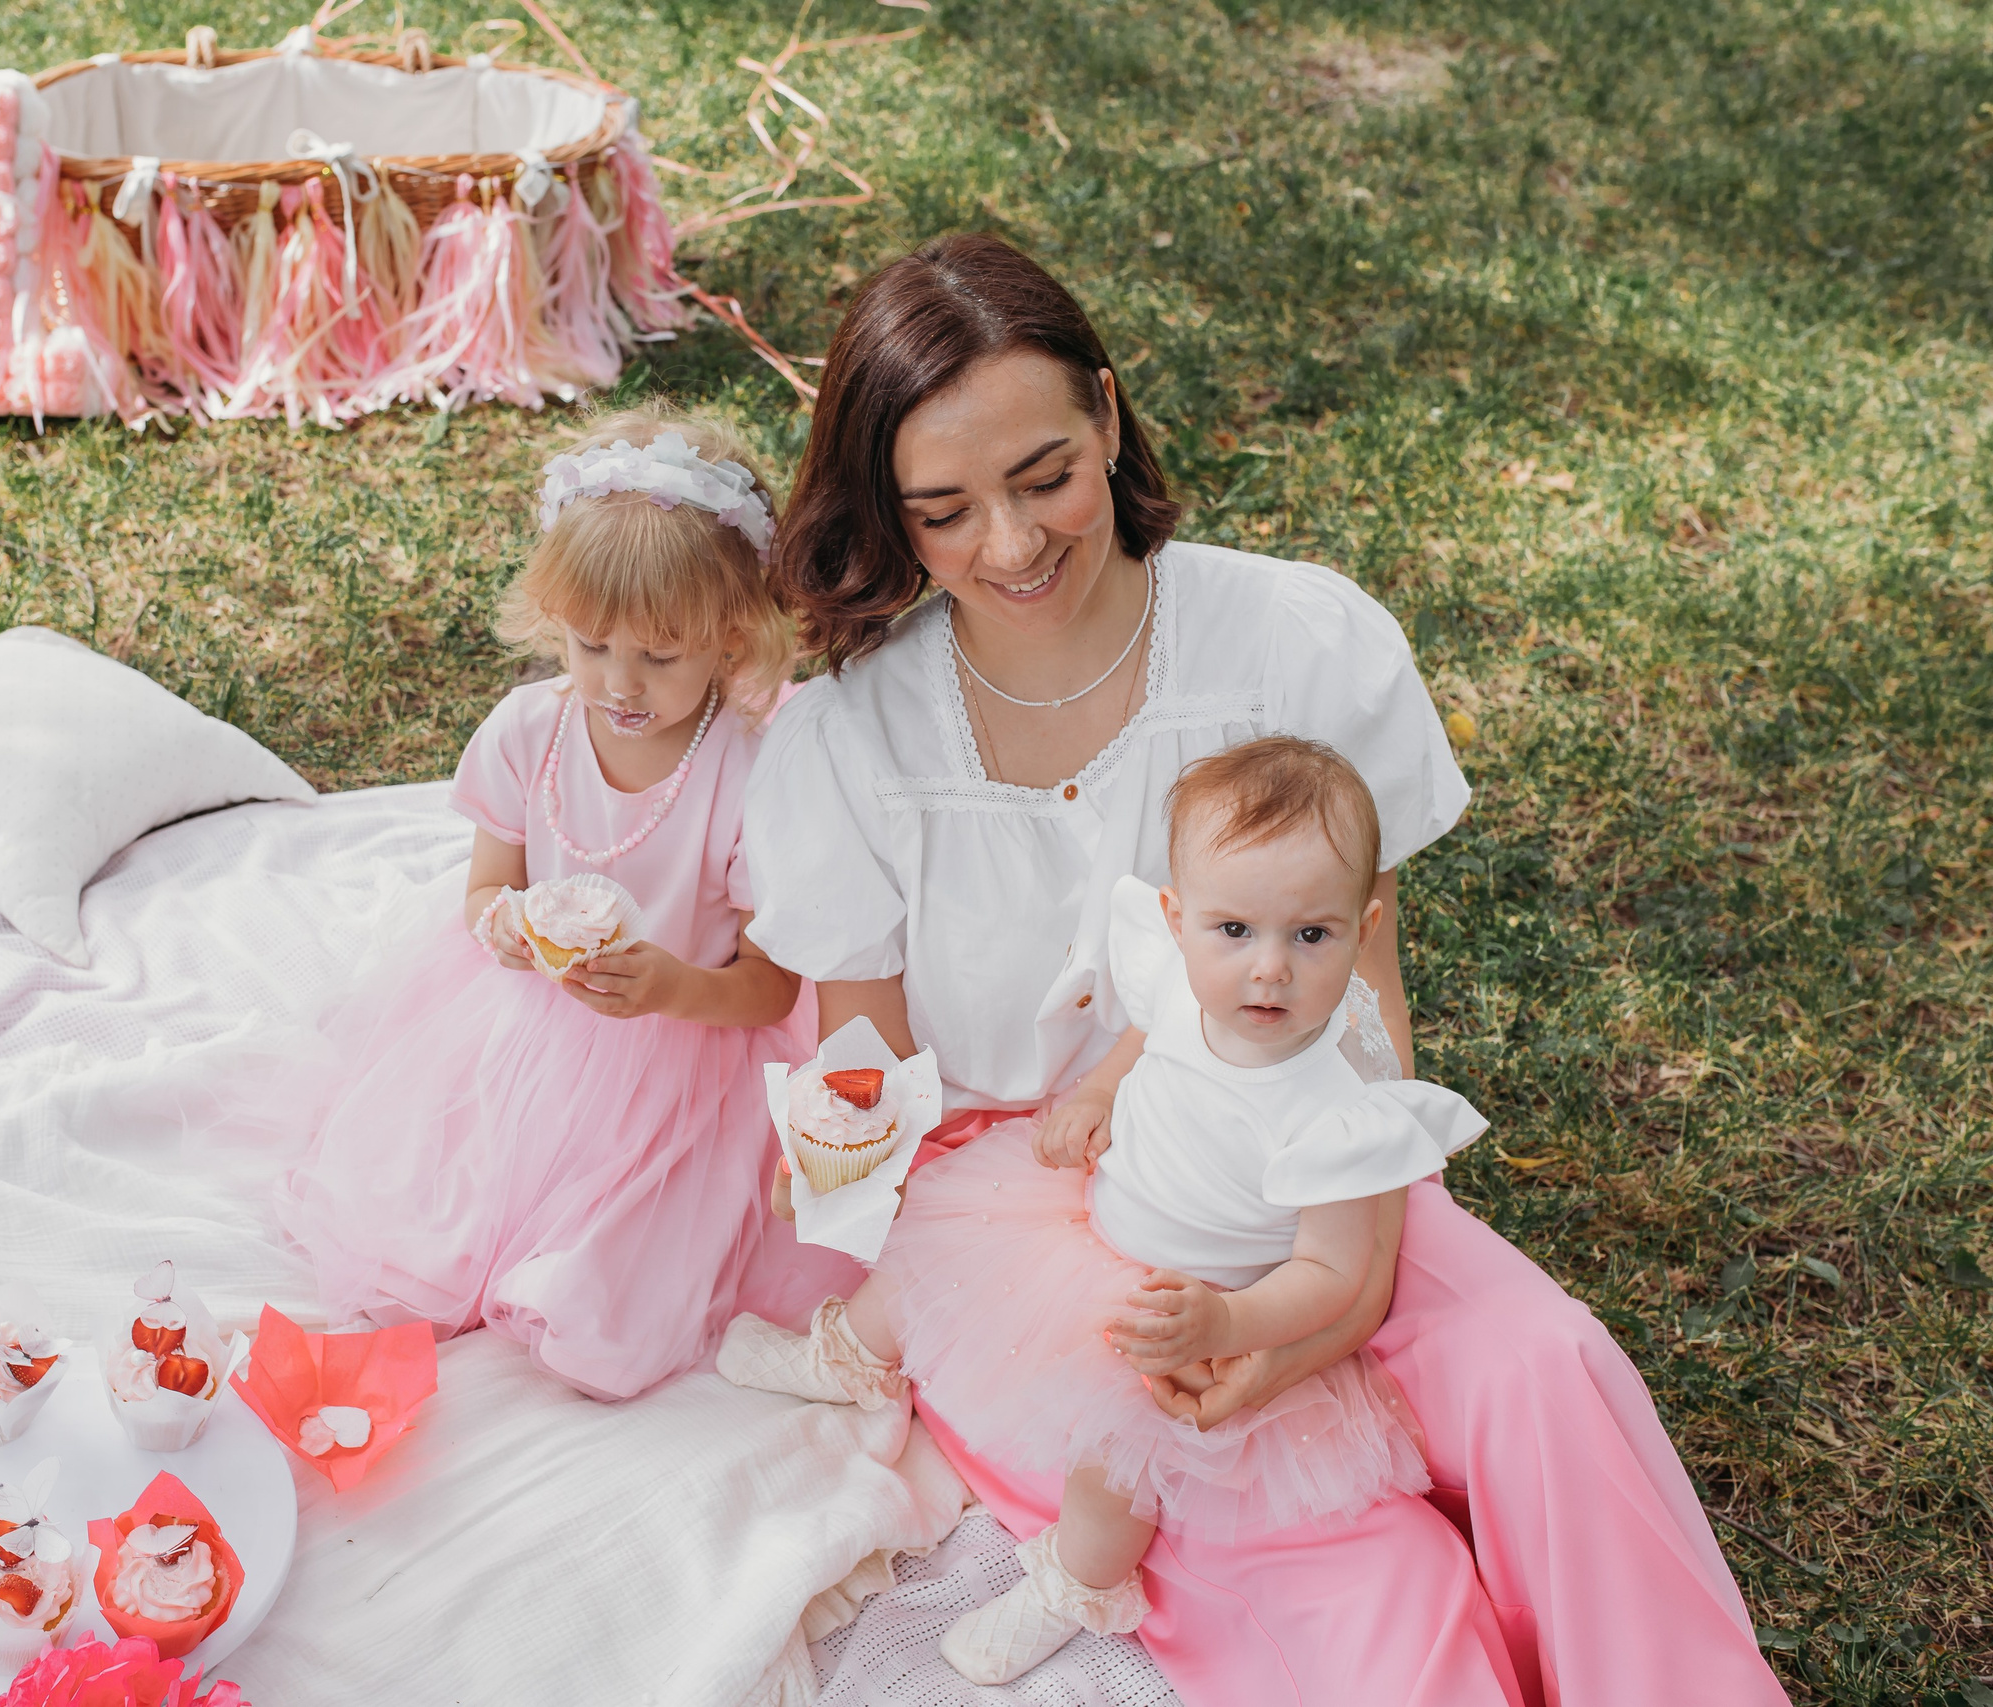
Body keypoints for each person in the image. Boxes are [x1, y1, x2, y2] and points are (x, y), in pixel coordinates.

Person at [742, 234, 1789, 1705]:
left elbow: (1363, 1005)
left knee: (1541, 1359)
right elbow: (865, 1081)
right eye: (944, 510)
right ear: (890, 514)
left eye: (1045, 474)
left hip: (1310, 1151)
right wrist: (843, 1180)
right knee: (1373, 1580)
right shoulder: (850, 738)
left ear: (1109, 415)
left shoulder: (1295, 637)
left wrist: (1345, 1289)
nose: (1012, 543)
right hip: (1052, 1222)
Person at [726, 737, 1520, 1695]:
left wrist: (1227, 1323)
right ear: (1180, 922)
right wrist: (1100, 1095)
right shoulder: (1183, 984)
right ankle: (847, 1355)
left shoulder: (1344, 1108)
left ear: (1364, 929)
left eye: (1311, 936)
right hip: (1087, 1220)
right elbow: (1143, 1038)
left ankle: (1074, 1584)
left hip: (1193, 1300)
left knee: (1122, 1459)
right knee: (943, 1251)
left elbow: (1334, 1273)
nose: (1268, 970)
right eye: (1236, 931)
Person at [273, 405, 811, 1401]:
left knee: (600, 1326)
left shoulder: (746, 772)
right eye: (592, 646)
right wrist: (505, 927)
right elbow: (488, 885)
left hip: (684, 1060)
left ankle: (584, 1262)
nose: (621, 683)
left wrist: (671, 988)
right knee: (420, 1250)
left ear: (731, 638)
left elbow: (773, 989)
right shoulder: (531, 731)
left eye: (661, 654)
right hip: (528, 1035)